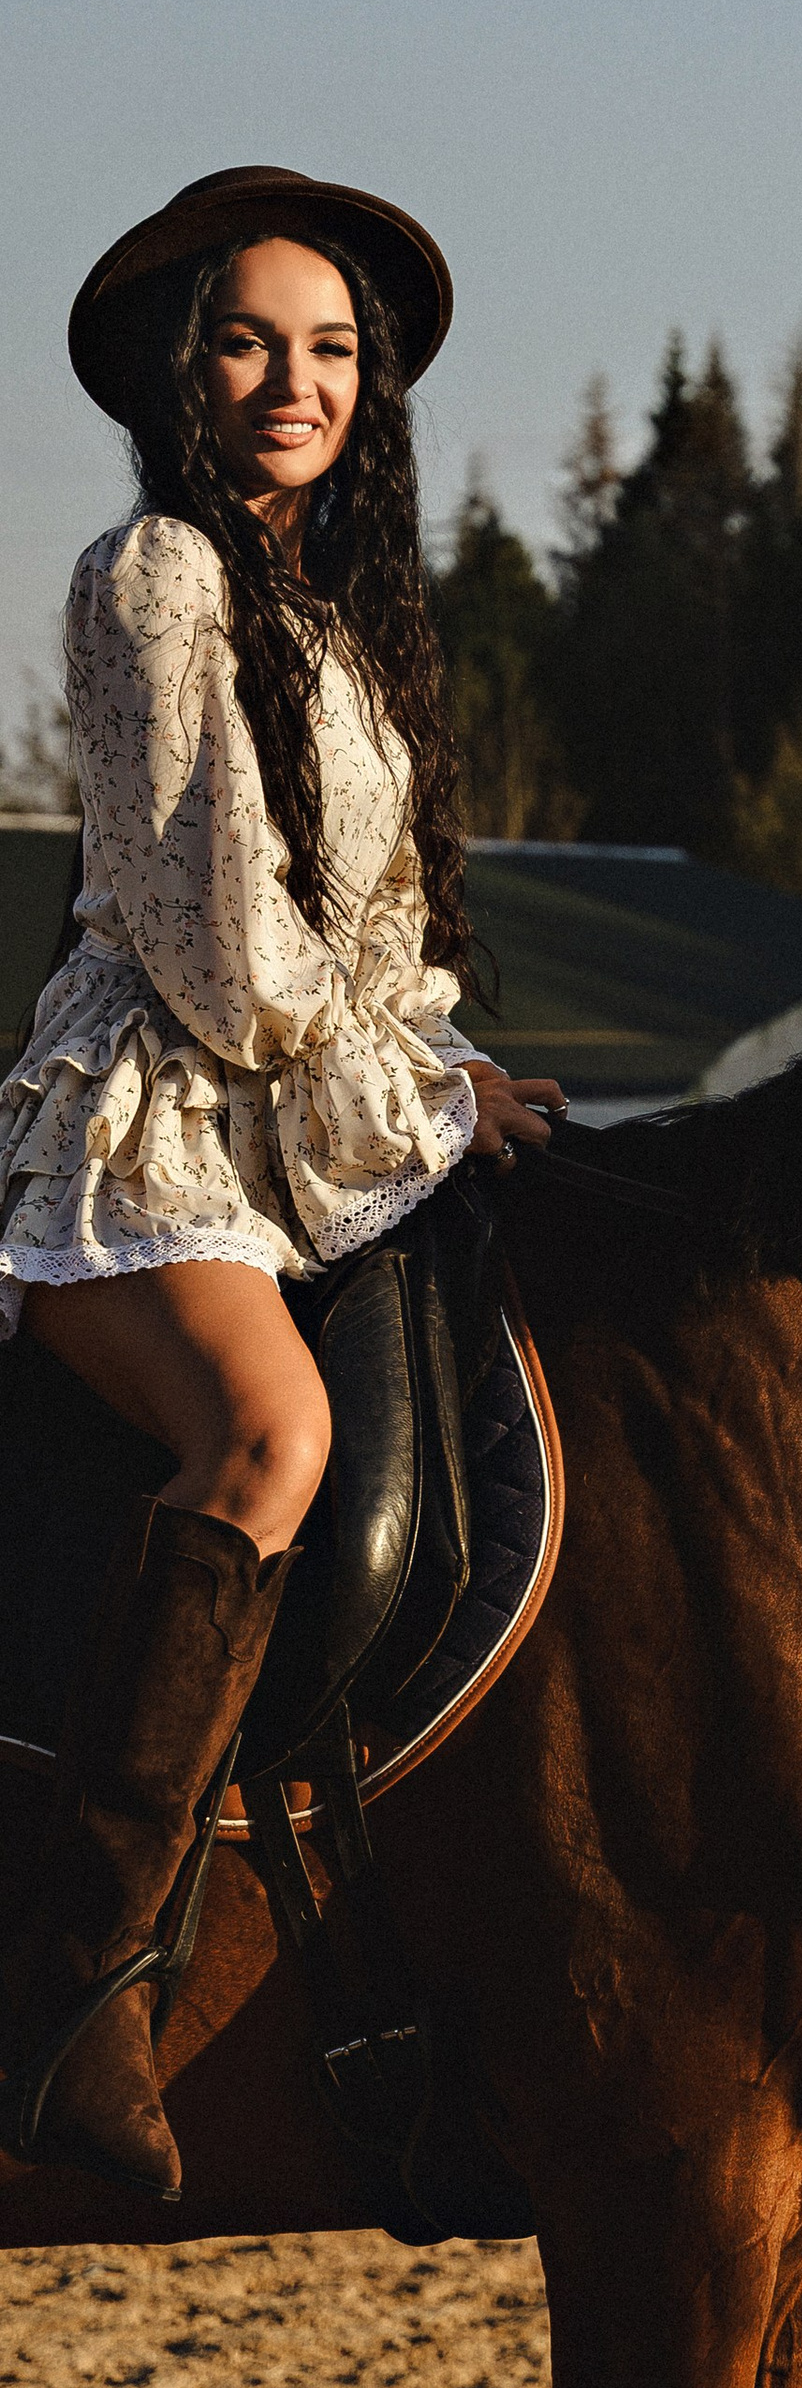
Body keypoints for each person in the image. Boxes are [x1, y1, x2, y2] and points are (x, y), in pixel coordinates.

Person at [0, 167, 563, 2203]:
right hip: (151, 1145)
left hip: (305, 1133)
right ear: (185, 370)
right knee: (268, 1430)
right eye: (251, 341)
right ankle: (76, 1998)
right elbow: (229, 959)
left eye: (330, 350)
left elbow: (380, 917)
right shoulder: (155, 576)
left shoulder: (340, 617)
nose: (291, 380)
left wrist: (453, 1071)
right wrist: (414, 1083)